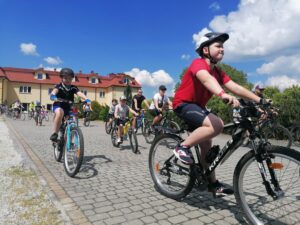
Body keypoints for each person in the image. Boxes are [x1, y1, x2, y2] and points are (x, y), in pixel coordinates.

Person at [173, 32, 264, 196]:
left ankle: (212, 183)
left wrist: (260, 101)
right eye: (218, 45)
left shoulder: (218, 72)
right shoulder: (198, 63)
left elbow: (236, 87)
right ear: (206, 50)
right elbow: (206, 79)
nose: (222, 48)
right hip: (183, 104)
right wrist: (223, 94)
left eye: (223, 46)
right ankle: (182, 147)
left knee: (206, 146)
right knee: (217, 124)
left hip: (198, 107)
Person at [49, 68, 91, 142]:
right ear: (62, 78)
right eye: (65, 78)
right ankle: (55, 133)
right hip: (59, 105)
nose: (68, 80)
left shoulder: (73, 88)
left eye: (70, 78)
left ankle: (69, 141)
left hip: (68, 107)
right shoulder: (59, 86)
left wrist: (86, 99)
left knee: (73, 121)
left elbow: (79, 93)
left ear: (72, 79)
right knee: (59, 112)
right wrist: (53, 96)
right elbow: (54, 91)